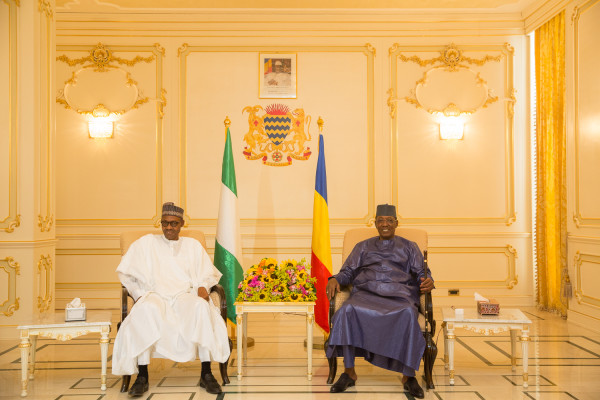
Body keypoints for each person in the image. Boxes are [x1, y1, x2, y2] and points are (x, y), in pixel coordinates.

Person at [112, 202, 230, 397]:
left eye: (174, 223)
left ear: (182, 223)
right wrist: (139, 294)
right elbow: (126, 273)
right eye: (165, 223)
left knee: (201, 309)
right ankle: (142, 377)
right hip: (155, 295)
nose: (169, 227)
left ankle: (206, 373)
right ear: (161, 223)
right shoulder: (146, 243)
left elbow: (207, 273)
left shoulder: (192, 246)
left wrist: (202, 286)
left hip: (184, 295)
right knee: (145, 310)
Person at [325, 204, 434, 399]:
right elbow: (348, 272)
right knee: (347, 310)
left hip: (399, 295)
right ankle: (349, 372)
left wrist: (427, 281)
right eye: (381, 220)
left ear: (396, 224)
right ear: (375, 223)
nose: (385, 224)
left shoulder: (410, 246)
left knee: (408, 313)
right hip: (366, 294)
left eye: (389, 221)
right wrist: (335, 278)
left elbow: (421, 273)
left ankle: (408, 376)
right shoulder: (362, 246)